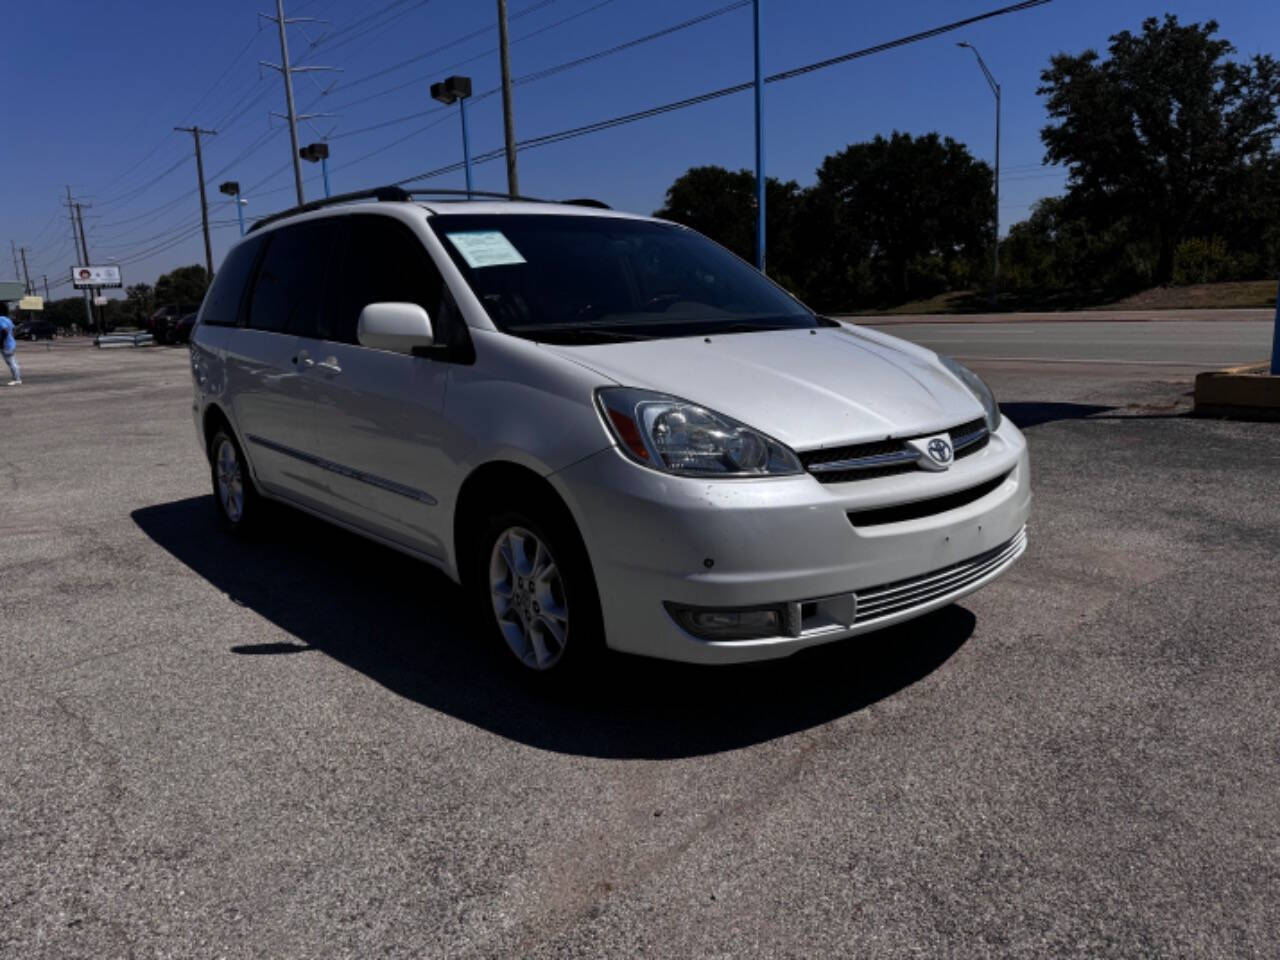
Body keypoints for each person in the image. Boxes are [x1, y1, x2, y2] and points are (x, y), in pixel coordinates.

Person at [0, 307, 20, 385]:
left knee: (11, 362)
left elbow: (4, 330)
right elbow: (14, 329)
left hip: (6, 345)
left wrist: (1, 342)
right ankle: (17, 378)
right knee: (13, 362)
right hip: (11, 343)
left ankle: (17, 379)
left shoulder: (0, 319)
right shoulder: (7, 319)